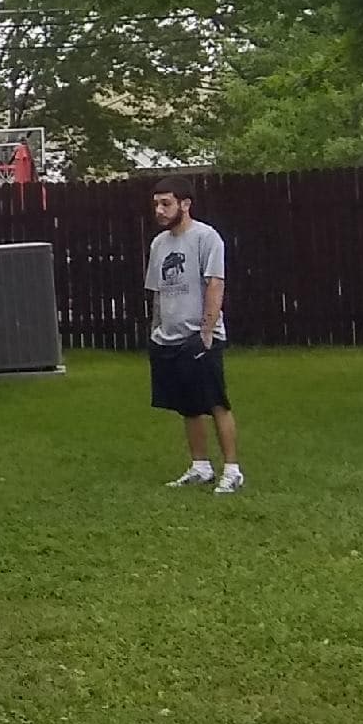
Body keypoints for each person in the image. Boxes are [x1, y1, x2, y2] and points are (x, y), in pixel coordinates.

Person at [145, 178, 242, 493]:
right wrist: (156, 329)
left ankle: (232, 470)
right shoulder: (159, 244)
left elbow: (215, 284)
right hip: (168, 338)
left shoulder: (206, 237)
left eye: (166, 203)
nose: (159, 210)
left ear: (185, 204)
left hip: (200, 337)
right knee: (187, 405)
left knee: (216, 402)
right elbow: (158, 291)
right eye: (156, 204)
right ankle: (200, 466)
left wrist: (207, 331)